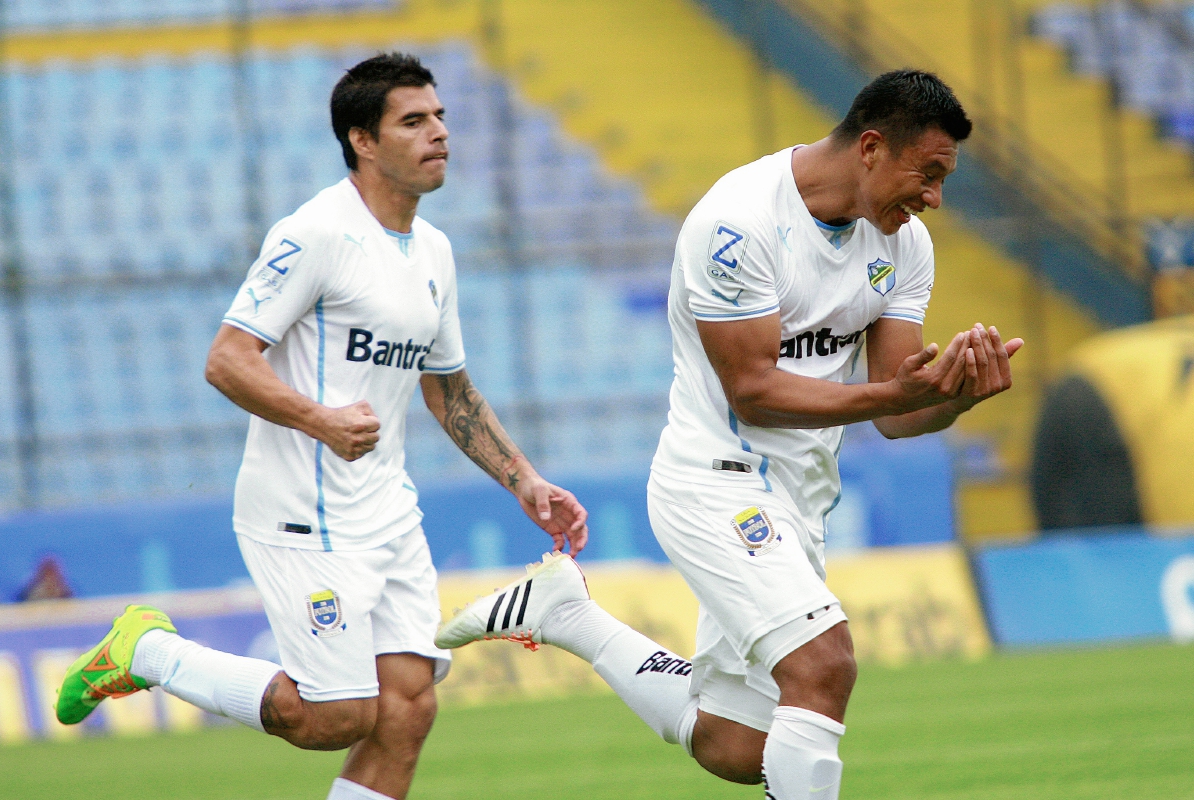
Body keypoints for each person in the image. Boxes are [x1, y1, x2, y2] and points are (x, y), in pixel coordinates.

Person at [435, 70, 1022, 799]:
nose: (934, 197)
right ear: (872, 148)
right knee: (824, 663)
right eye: (927, 174)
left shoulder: (905, 245)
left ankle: (571, 617)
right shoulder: (738, 220)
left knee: (738, 747)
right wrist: (892, 393)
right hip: (714, 481)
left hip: (802, 497)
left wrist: (955, 398)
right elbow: (753, 393)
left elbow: (899, 414)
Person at [55, 52, 588, 800]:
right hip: (304, 513)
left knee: (407, 710)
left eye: (440, 116)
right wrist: (321, 420)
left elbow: (450, 390)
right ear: (362, 140)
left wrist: (524, 480)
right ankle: (145, 651)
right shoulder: (315, 234)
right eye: (414, 121)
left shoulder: (432, 250)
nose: (439, 132)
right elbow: (227, 359)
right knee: (335, 715)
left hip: (388, 511)